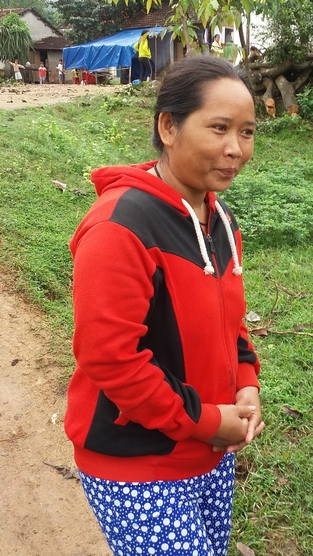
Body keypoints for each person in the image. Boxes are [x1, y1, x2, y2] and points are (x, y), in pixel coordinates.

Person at [65, 55, 264, 556]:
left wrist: (246, 385)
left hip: (209, 452)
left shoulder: (219, 218)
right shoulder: (119, 228)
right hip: (139, 466)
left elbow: (231, 324)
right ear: (168, 127)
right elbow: (111, 360)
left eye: (247, 132)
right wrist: (207, 421)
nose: (236, 149)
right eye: (219, 128)